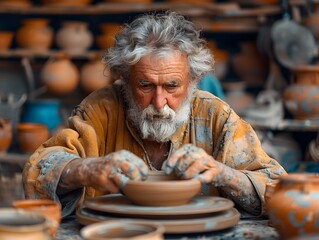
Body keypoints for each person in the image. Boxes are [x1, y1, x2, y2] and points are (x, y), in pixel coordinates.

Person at [23, 11, 286, 218]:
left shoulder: (216, 116)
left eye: (172, 86)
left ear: (192, 81)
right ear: (125, 81)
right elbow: (38, 168)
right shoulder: (100, 109)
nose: (159, 103)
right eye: (145, 85)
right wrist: (86, 169)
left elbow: (280, 190)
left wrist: (223, 174)